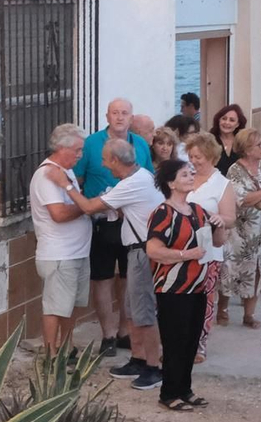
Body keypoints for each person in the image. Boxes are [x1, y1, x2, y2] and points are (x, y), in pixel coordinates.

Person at [75, 98, 152, 354]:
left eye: (125, 113)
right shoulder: (91, 144)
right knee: (102, 277)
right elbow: (79, 177)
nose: (120, 117)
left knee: (129, 278)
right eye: (115, 113)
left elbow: (149, 176)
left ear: (131, 118)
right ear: (107, 116)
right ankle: (107, 334)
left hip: (130, 223)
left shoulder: (139, 144)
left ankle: (124, 332)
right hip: (101, 222)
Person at [145, 158, 214, 412]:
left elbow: (214, 241)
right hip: (172, 287)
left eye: (191, 173)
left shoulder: (197, 210)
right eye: (185, 174)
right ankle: (169, 391)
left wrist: (219, 225)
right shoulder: (163, 213)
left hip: (197, 285)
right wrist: (185, 255)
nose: (190, 177)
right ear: (171, 182)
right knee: (175, 340)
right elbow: (153, 249)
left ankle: (185, 388)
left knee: (191, 340)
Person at [97, 139, 166, 389]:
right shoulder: (143, 175)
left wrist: (66, 187)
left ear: (116, 160)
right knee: (133, 308)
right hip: (137, 251)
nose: (105, 166)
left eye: (106, 160)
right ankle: (138, 359)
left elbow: (91, 207)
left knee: (143, 310)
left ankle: (153, 366)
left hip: (141, 252)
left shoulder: (131, 184)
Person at [28, 123, 94, 355]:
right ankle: (51, 353)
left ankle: (67, 346)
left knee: (72, 304)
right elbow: (58, 214)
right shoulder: (48, 175)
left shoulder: (65, 173)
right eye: (77, 150)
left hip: (76, 251)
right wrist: (86, 207)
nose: (80, 155)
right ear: (61, 148)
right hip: (59, 254)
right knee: (56, 306)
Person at [216, 129, 261, 329]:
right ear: (247, 149)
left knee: (258, 269)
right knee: (231, 268)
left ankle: (248, 314)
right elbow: (240, 199)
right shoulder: (235, 169)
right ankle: (222, 309)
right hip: (239, 229)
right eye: (259, 145)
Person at [185, 132, 230, 361]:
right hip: (181, 249)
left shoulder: (221, 184)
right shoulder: (184, 177)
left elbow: (230, 217)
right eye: (191, 155)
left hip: (209, 250)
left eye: (199, 156)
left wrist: (216, 217)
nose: (194, 161)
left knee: (204, 298)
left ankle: (199, 344)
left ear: (211, 156)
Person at [211, 103, 249, 170]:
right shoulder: (210, 140)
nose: (227, 122)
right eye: (224, 119)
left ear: (237, 124)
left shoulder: (242, 141)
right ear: (219, 120)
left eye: (232, 120)